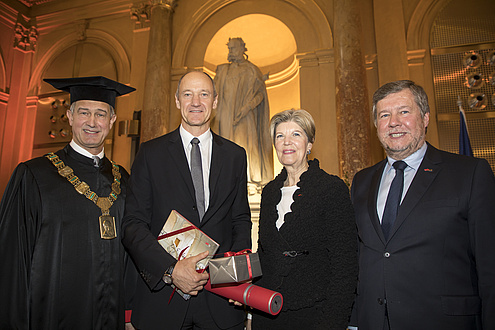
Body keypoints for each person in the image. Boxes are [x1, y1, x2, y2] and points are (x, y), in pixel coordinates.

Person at [349, 80, 495, 330]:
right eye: (385, 115)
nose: (393, 122)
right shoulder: (362, 181)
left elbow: (490, 265)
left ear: (425, 117)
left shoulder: (469, 173)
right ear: (376, 126)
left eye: (404, 111)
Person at [0, 76, 135, 329]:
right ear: (71, 116)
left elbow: (134, 252)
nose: (92, 122)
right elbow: (11, 262)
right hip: (51, 314)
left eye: (101, 114)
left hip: (112, 315)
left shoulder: (124, 179)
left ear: (112, 121)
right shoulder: (34, 176)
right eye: (84, 113)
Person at [122, 71, 252, 329]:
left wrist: (235, 278)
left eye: (204, 94)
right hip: (163, 302)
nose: (196, 102)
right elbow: (133, 225)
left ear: (215, 101)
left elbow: (240, 219)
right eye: (188, 94)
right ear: (177, 100)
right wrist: (171, 270)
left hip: (222, 303)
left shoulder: (236, 156)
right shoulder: (150, 154)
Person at [252, 109, 358, 329]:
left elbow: (345, 264)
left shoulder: (331, 188)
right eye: (280, 136)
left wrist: (333, 321)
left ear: (309, 144)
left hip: (313, 313)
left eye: (296, 134)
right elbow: (264, 253)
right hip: (267, 311)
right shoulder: (269, 192)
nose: (286, 142)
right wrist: (247, 291)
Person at [214, 37, 273, 193]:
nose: (230, 52)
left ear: (242, 49)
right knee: (225, 146)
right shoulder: (222, 70)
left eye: (233, 48)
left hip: (246, 116)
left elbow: (260, 95)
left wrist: (248, 107)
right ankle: (226, 181)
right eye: (229, 49)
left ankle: (249, 182)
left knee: (246, 146)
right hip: (225, 116)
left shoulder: (252, 70)